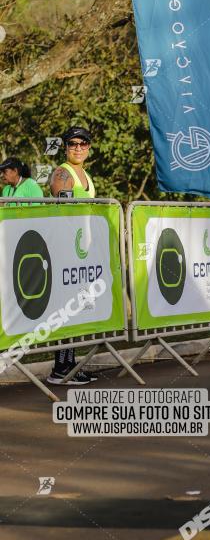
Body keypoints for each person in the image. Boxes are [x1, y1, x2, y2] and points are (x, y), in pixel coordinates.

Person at [46, 126, 97, 385]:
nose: (78, 147)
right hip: (65, 249)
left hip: (82, 252)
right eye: (73, 143)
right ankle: (60, 368)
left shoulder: (86, 174)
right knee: (65, 308)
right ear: (65, 147)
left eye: (83, 143)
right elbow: (62, 209)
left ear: (89, 147)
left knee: (75, 308)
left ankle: (70, 364)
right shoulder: (62, 173)